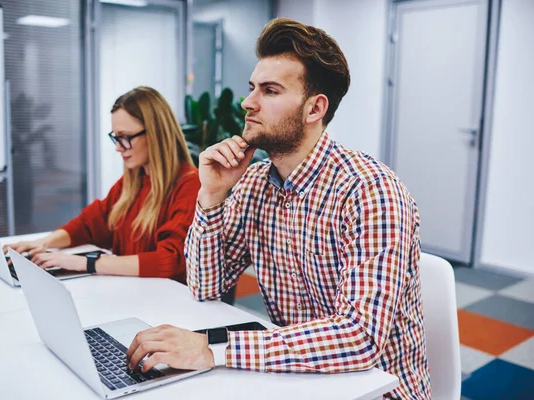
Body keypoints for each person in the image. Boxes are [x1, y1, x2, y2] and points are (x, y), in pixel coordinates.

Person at [124, 18, 431, 399]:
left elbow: (360, 338)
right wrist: (212, 196)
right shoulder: (254, 184)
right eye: (252, 88)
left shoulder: (370, 191)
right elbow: (205, 286)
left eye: (269, 90)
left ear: (314, 108)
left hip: (375, 390)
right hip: (295, 378)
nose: (247, 102)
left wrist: (212, 350)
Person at [4, 87, 200, 283]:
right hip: (133, 292)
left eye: (125, 137)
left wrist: (86, 263)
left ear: (156, 134)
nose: (118, 147)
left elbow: (171, 260)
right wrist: (41, 243)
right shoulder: (132, 183)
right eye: (115, 137)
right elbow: (88, 225)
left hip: (165, 302)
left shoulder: (190, 185)